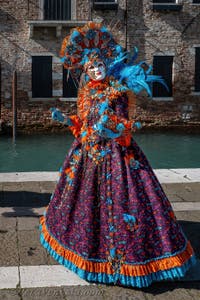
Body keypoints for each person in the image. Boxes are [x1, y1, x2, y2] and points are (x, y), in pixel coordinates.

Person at [39, 22, 196, 288]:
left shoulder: (118, 90)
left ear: (106, 64)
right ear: (86, 72)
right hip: (88, 153)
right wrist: (67, 120)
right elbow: (84, 123)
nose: (96, 70)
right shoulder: (87, 90)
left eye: (99, 65)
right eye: (91, 68)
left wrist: (113, 129)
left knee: (132, 201)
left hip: (116, 153)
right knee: (81, 201)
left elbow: (125, 123)